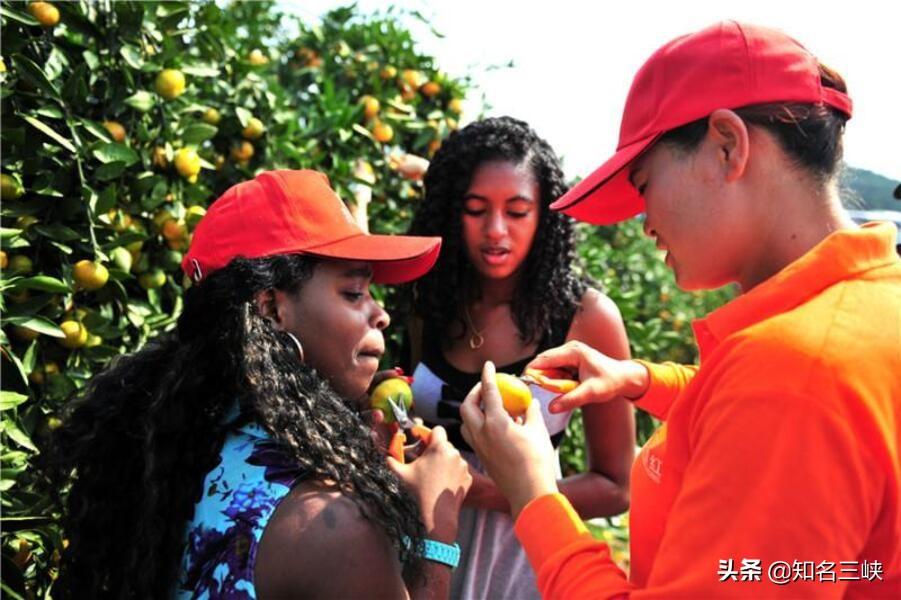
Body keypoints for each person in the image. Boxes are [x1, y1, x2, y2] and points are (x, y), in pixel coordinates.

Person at [459, 21, 901, 597]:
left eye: (644, 185)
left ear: (727, 145)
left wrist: (534, 491)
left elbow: (778, 398)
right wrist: (639, 380)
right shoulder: (868, 303)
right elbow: (742, 404)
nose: (645, 223)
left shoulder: (793, 371)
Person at [47, 170, 473, 599]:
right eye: (354, 292)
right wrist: (435, 528)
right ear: (271, 308)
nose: (380, 314)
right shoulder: (333, 524)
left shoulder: (163, 445)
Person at [401, 116, 635, 598]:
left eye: (517, 211)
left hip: (525, 565)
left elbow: (616, 486)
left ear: (544, 216)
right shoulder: (431, 302)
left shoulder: (585, 320)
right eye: (475, 208)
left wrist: (498, 492)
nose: (495, 230)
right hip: (421, 551)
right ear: (451, 211)